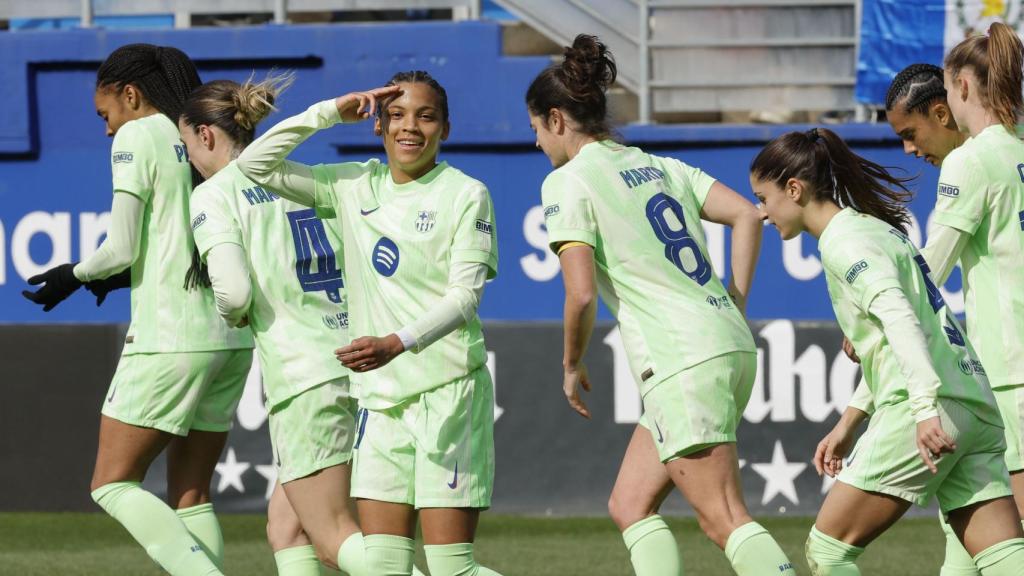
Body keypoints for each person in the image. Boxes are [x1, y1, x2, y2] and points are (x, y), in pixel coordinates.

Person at [528, 34, 794, 576]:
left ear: (556, 120)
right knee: (629, 504)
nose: (536, 143)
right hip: (724, 343)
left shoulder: (566, 182)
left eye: (535, 129)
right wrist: (735, 303)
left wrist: (570, 362)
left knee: (723, 517)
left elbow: (579, 293)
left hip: (681, 359)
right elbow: (747, 215)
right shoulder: (659, 166)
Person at [236, 71, 502, 576]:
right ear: (377, 124)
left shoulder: (466, 194)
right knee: (380, 566)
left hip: (448, 394)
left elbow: (465, 297)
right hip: (379, 404)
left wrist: (397, 343)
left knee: (451, 569)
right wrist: (331, 111)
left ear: (445, 127)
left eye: (425, 117)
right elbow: (254, 165)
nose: (410, 128)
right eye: (396, 115)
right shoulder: (353, 185)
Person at [22, 44, 254, 576]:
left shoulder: (136, 134)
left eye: (106, 114)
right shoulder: (203, 131)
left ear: (131, 94)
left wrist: (72, 275)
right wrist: (125, 276)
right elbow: (183, 237)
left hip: (170, 339)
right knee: (191, 495)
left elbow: (120, 247)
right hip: (233, 338)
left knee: (111, 482)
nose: (107, 129)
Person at [750, 126, 1024, 575]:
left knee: (829, 551)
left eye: (763, 197)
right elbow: (891, 343)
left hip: (932, 409)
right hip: (975, 400)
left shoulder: (845, 243)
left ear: (794, 189)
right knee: (1004, 558)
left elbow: (900, 320)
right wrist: (848, 424)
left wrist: (923, 410)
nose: (761, 212)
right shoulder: (875, 231)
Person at [884, 58, 1024, 576]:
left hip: (1010, 377)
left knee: (1008, 539)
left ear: (954, 96)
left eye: (909, 133)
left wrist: (880, 312)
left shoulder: (972, 160)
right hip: (999, 381)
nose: (909, 149)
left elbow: (929, 270)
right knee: (964, 527)